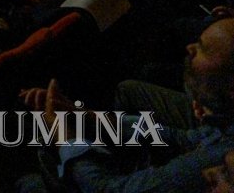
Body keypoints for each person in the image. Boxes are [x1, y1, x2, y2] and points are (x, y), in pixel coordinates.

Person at [18, 18, 234, 193]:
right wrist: (87, 116)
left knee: (31, 181)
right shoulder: (224, 129)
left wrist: (68, 140)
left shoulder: (219, 160)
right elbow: (182, 139)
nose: (190, 47)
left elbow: (110, 189)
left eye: (204, 49)